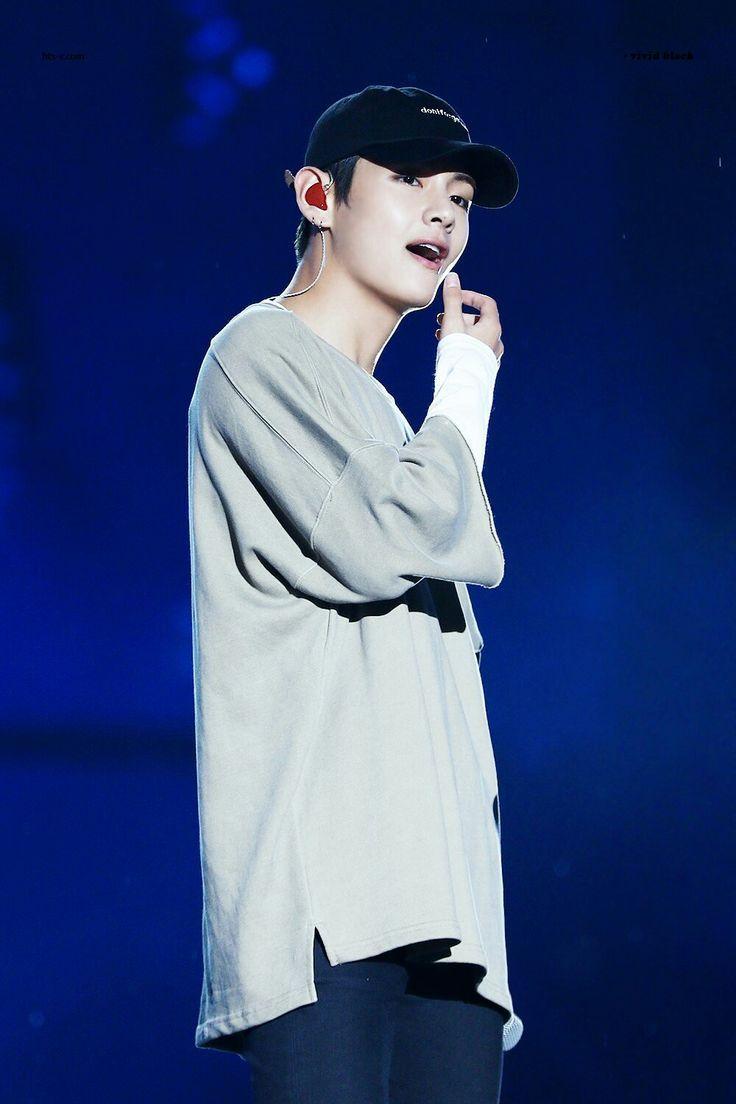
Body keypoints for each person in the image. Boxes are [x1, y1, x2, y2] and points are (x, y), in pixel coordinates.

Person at [187, 84, 523, 1102]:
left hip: (446, 909)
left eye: (459, 196)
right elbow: (388, 539)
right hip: (329, 907)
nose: (442, 212)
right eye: (411, 179)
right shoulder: (257, 355)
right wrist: (466, 385)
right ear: (317, 196)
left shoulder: (387, 420)